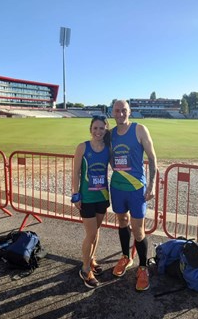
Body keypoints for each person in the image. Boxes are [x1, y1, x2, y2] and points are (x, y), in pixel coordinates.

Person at [110, 100, 157, 291]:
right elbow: (111, 158)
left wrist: (151, 186)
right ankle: (125, 257)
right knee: (122, 222)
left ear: (129, 112)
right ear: (112, 112)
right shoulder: (110, 134)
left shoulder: (139, 129)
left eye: (124, 110)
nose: (120, 113)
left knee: (138, 230)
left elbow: (153, 159)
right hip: (118, 187)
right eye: (117, 110)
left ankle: (143, 267)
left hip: (137, 188)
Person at [72, 115, 110, 289]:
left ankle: (91, 259)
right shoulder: (82, 147)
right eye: (95, 128)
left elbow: (117, 167)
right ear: (90, 129)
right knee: (91, 234)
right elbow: (76, 173)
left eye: (101, 128)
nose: (98, 131)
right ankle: (85, 269)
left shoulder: (108, 149)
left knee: (97, 230)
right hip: (87, 197)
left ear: (106, 129)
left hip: (102, 196)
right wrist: (75, 194)